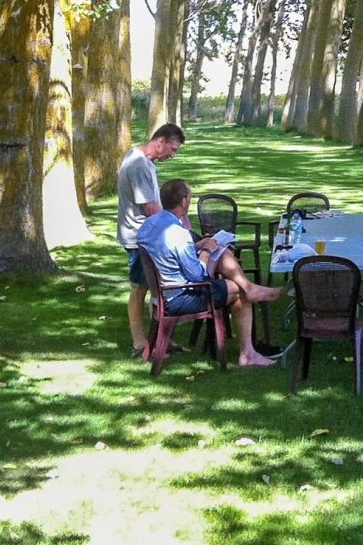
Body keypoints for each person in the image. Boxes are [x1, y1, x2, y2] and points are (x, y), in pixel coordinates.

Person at [137, 179, 282, 367]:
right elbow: (198, 276)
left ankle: (250, 287)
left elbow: (164, 251)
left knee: (221, 252)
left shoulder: (149, 224)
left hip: (162, 292)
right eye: (189, 196)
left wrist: (199, 246)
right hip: (180, 296)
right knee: (237, 291)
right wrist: (205, 252)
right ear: (183, 201)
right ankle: (248, 354)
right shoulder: (177, 233)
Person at [118, 124, 186, 357]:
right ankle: (139, 344)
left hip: (149, 236)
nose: (172, 154)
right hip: (139, 239)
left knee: (157, 288)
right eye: (172, 149)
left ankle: (161, 338)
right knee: (140, 288)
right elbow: (150, 208)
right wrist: (178, 225)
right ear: (160, 142)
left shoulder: (145, 162)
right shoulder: (137, 164)